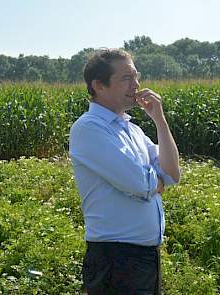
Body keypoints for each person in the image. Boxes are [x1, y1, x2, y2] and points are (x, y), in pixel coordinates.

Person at [69, 48, 180, 295]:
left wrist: (159, 121)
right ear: (99, 85)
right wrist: (156, 183)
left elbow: (172, 173)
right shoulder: (88, 129)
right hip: (115, 259)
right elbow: (141, 184)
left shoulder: (133, 130)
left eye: (136, 76)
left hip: (145, 257)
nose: (136, 84)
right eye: (126, 78)